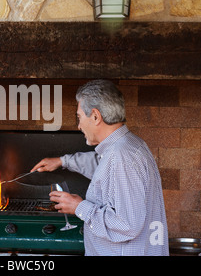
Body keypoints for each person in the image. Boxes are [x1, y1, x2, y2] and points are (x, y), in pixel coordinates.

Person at [32, 79, 168, 256]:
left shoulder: (122, 157)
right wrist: (62, 161)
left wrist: (79, 207)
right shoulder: (127, 146)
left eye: (79, 117)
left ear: (95, 116)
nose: (79, 126)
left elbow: (127, 225)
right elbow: (102, 165)